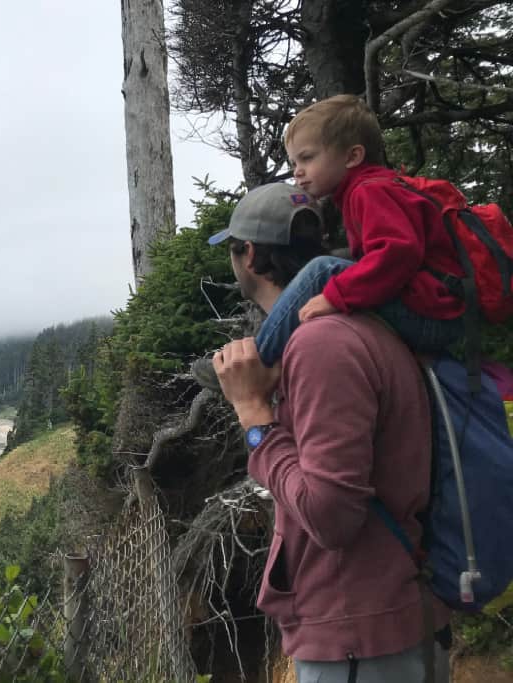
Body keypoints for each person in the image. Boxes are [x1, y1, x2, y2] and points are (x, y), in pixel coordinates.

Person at [210, 182, 451, 683]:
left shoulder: (322, 344)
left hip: (359, 641)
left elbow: (332, 515)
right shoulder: (367, 325)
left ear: (249, 256)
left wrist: (254, 417)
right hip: (379, 630)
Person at [193, 95, 463, 390]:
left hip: (432, 316)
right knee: (337, 264)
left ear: (352, 157)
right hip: (433, 311)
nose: (297, 171)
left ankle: (258, 361)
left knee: (323, 269)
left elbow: (398, 252)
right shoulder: (366, 190)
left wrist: (335, 295)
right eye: (294, 162)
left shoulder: (369, 191)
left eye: (307, 158)